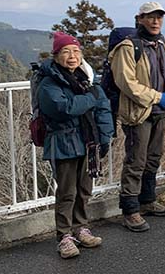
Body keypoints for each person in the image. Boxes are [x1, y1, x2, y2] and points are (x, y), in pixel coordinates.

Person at [37, 32, 113, 258]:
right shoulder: (48, 82)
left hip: (87, 142)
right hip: (63, 142)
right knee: (67, 192)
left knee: (83, 190)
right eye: (66, 51)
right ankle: (64, 236)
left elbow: (104, 108)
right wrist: (91, 98)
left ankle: (81, 228)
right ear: (56, 55)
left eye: (76, 51)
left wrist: (106, 135)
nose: (72, 56)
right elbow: (63, 108)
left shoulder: (85, 78)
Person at [109, 2, 165, 232]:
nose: (156, 21)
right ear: (139, 19)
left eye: (159, 17)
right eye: (150, 17)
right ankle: (130, 210)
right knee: (135, 161)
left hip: (159, 112)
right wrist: (158, 97)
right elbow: (126, 83)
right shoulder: (128, 47)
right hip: (139, 112)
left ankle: (147, 201)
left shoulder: (161, 43)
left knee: (152, 159)